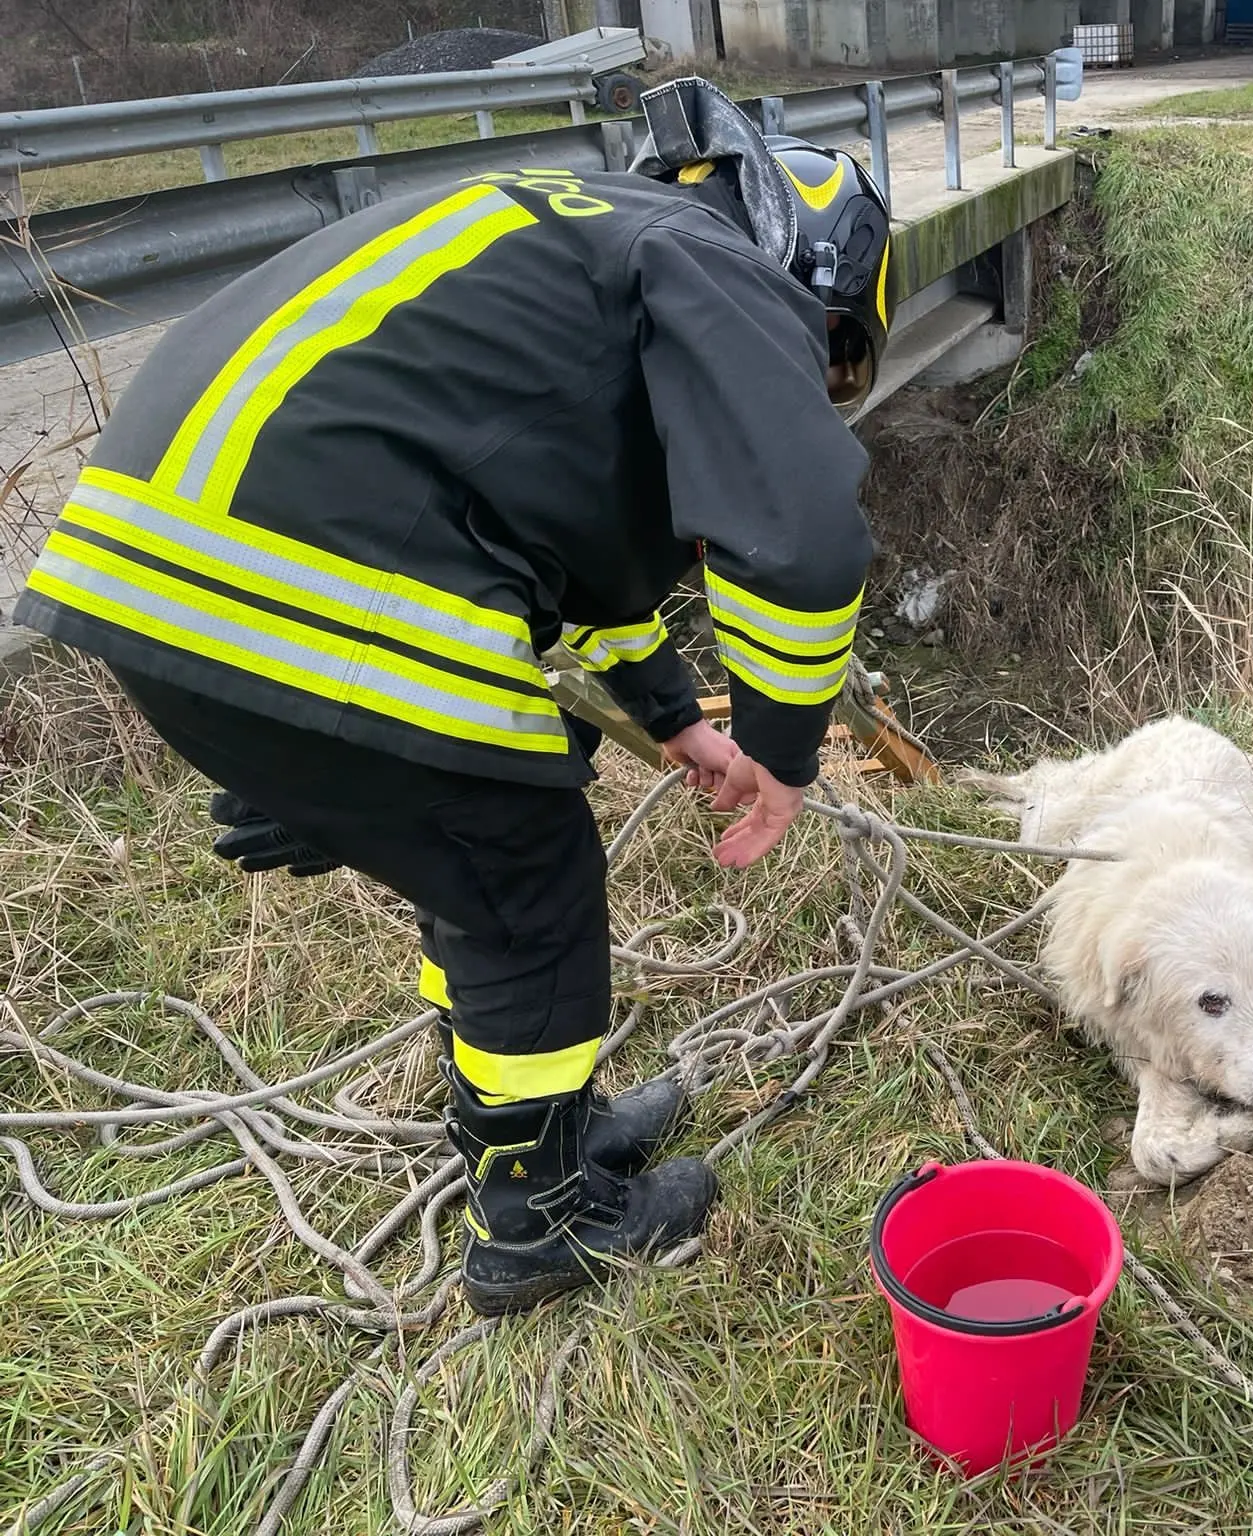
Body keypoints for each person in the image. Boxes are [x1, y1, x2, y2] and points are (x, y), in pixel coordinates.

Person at [8, 79, 893, 1317]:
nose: (817, 376)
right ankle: (540, 1223)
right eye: (831, 354)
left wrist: (677, 716)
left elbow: (571, 547)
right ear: (815, 274)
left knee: (476, 854)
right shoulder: (720, 267)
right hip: (301, 582)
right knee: (522, 879)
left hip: (155, 579)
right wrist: (782, 749)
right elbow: (800, 541)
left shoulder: (575, 235)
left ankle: (540, 1128)